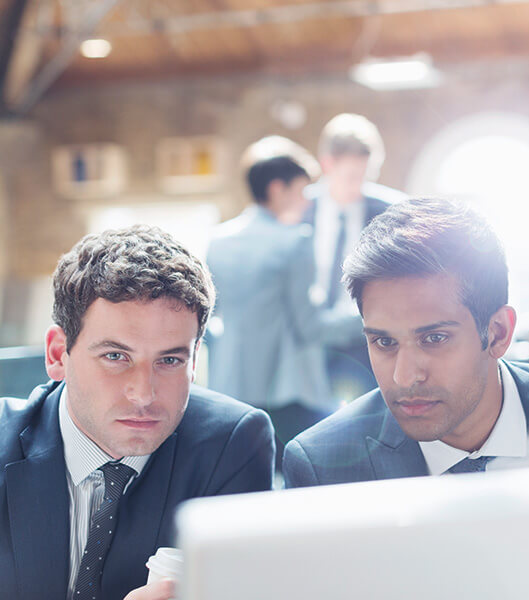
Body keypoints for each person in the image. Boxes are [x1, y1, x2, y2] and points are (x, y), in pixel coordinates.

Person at [283, 199, 529, 488]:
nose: (404, 376)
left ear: (499, 333)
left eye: (434, 338)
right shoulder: (322, 465)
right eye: (384, 342)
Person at [0, 226, 275, 600]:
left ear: (195, 360)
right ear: (56, 354)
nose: (143, 394)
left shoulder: (234, 445)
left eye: (170, 360)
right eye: (116, 356)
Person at [207, 136, 361, 445]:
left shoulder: (218, 241)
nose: (307, 202)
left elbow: (212, 317)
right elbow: (310, 328)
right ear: (277, 189)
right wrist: (367, 318)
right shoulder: (294, 242)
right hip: (286, 391)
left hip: (230, 388)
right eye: (301, 191)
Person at [304, 113, 406, 403]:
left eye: (365, 176)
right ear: (327, 164)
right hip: (308, 345)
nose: (358, 185)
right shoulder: (296, 210)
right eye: (351, 176)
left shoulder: (392, 211)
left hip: (364, 342)